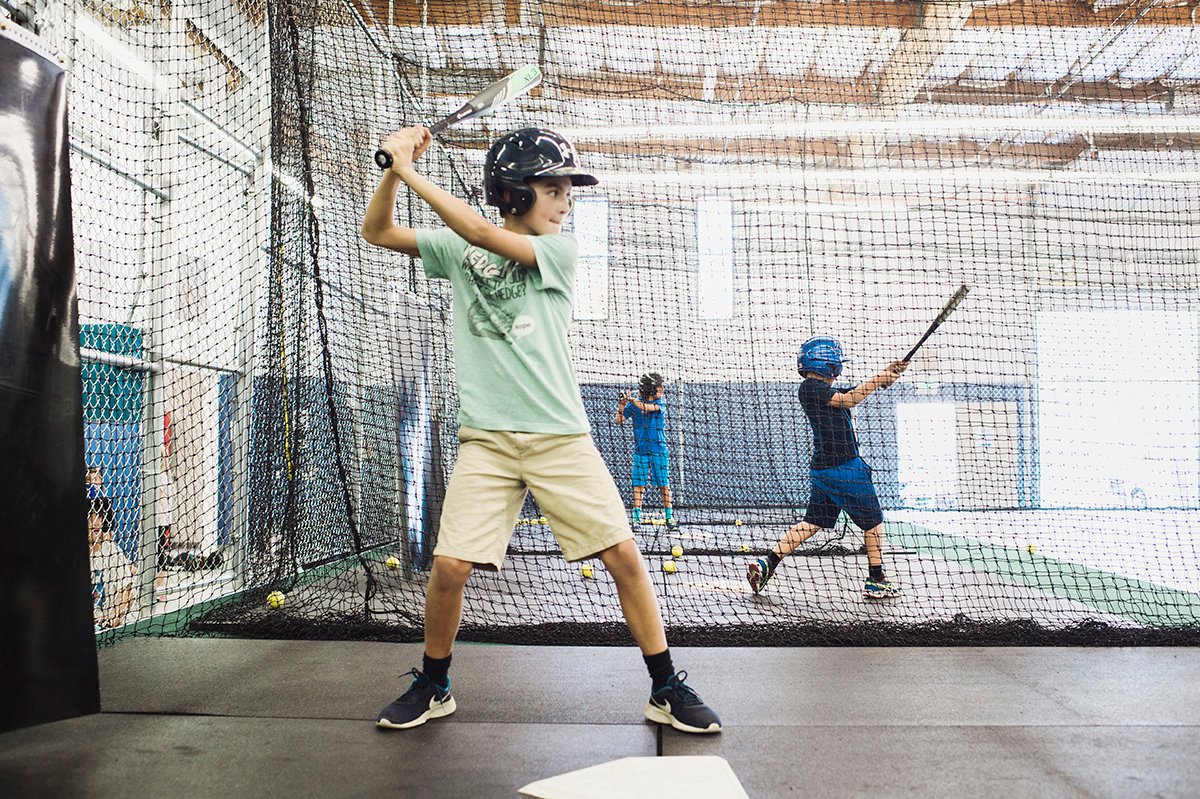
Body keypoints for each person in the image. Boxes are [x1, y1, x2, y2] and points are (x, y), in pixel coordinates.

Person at [361, 126, 721, 734]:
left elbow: (479, 231)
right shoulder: (459, 253)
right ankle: (434, 683)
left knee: (625, 557)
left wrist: (411, 169)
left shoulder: (562, 250)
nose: (566, 201)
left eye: (568, 190)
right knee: (450, 568)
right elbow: (379, 232)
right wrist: (394, 171)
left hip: (560, 437)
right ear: (514, 193)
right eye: (552, 188)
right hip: (487, 441)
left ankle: (664, 685)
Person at [746, 336, 908, 600]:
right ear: (828, 364)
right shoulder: (810, 388)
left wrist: (887, 375)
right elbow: (848, 400)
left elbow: (853, 393)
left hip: (824, 471)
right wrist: (879, 379)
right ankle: (876, 580)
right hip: (844, 469)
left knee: (812, 522)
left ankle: (767, 565)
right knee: (874, 522)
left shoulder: (822, 390)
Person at [615, 372, 677, 529]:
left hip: (659, 450)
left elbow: (647, 408)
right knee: (639, 485)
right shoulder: (634, 404)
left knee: (664, 484)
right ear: (651, 389)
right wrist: (622, 404)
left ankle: (669, 518)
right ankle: (636, 518)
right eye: (659, 387)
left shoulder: (660, 402)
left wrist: (631, 399)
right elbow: (619, 420)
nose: (662, 389)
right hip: (641, 451)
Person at [88, 496, 136, 630]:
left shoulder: (111, 551)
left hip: (105, 624)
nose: (96, 523)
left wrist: (115, 619)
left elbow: (128, 594)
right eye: (90, 517)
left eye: (100, 516)